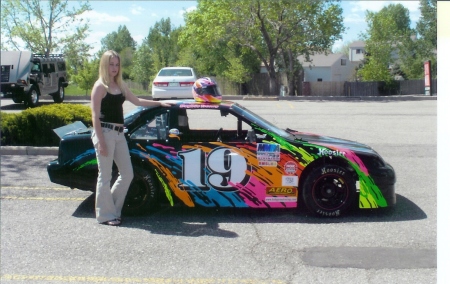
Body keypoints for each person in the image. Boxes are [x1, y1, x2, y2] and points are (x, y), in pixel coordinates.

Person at [91, 50, 171, 226]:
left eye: (117, 64)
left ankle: (112, 209)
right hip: (104, 133)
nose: (114, 68)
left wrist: (159, 103)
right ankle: (105, 215)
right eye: (111, 64)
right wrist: (101, 142)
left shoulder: (120, 84)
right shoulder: (100, 86)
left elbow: (138, 101)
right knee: (104, 176)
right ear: (105, 65)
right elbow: (94, 117)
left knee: (127, 173)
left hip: (119, 134)